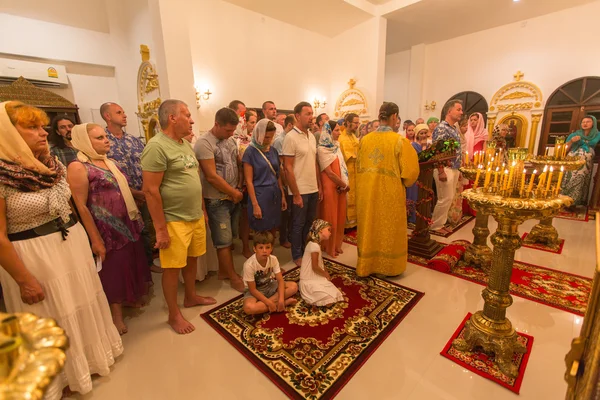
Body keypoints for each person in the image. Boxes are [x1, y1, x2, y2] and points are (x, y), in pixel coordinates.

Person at [0, 101, 122, 398]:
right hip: (34, 254)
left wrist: (93, 238)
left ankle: (88, 363)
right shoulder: (2, 175)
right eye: (31, 127)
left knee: (79, 304)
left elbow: (73, 207)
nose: (43, 133)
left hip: (71, 244)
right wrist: (24, 281)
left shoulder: (49, 164)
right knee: (51, 315)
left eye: (42, 126)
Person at [142, 99, 216, 335]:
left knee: (193, 258)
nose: (192, 119)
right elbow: (150, 190)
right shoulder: (156, 146)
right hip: (173, 219)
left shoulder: (184, 144)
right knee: (172, 267)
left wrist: (202, 209)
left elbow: (194, 181)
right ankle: (173, 313)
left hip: (194, 215)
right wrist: (161, 229)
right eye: (186, 114)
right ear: (172, 118)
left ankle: (191, 296)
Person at [68, 123, 151, 335]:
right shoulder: (79, 167)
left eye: (105, 136)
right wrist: (95, 239)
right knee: (113, 270)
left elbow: (120, 188)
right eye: (99, 138)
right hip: (105, 227)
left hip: (126, 223)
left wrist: (140, 194)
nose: (106, 140)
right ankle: (115, 316)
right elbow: (80, 206)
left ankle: (128, 299)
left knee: (129, 263)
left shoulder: (109, 162)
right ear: (85, 142)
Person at [356, 102, 419, 277]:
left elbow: (358, 167)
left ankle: (367, 265)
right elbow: (410, 173)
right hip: (390, 194)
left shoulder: (365, 140)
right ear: (394, 117)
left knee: (370, 226)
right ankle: (388, 267)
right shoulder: (399, 141)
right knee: (387, 228)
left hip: (367, 193)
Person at [101, 102, 159, 273]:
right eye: (119, 112)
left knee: (146, 228)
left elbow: (146, 166)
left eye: (124, 111)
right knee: (127, 231)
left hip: (143, 192)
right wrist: (133, 193)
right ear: (108, 116)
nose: (125, 115)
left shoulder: (133, 140)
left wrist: (143, 191)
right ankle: (133, 268)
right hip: (120, 196)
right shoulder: (102, 141)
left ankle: (148, 263)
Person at [196, 107, 245, 291]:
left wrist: (239, 187)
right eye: (228, 130)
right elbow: (211, 176)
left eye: (233, 130)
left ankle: (224, 271)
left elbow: (238, 164)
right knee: (223, 240)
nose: (231, 133)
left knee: (230, 238)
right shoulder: (204, 143)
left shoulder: (230, 139)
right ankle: (232, 276)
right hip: (217, 199)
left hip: (233, 195)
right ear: (216, 124)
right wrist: (233, 193)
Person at [282, 102, 322, 266]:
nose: (311, 116)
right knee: (298, 224)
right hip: (299, 189)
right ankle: (296, 254)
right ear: (297, 116)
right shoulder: (290, 137)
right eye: (307, 114)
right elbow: (288, 168)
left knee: (309, 222)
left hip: (312, 187)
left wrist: (318, 185)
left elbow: (314, 163)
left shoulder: (311, 136)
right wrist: (296, 193)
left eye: (312, 113)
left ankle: (305, 250)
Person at [243, 119, 287, 233]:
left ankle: (270, 251)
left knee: (273, 228)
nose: (268, 140)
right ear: (259, 134)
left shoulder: (273, 151)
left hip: (274, 194)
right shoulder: (250, 152)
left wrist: (282, 195)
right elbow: (248, 181)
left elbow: (277, 175)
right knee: (261, 232)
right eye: (266, 137)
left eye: (271, 137)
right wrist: (255, 204)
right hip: (260, 195)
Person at [241, 231, 298, 314]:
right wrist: (269, 303)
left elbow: (280, 280)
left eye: (267, 247)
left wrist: (281, 299)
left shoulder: (273, 259)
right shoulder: (249, 265)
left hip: (269, 284)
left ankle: (278, 304)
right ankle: (281, 304)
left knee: (294, 286)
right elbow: (252, 290)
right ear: (254, 249)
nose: (264, 251)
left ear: (271, 248)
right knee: (249, 308)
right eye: (261, 248)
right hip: (256, 290)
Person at [430, 100, 463, 233]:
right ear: (449, 111)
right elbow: (437, 151)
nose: (461, 112)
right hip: (444, 168)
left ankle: (440, 224)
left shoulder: (452, 128)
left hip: (453, 168)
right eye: (459, 109)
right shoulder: (442, 128)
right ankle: (435, 226)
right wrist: (441, 171)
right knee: (445, 198)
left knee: (449, 198)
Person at [317, 121, 348, 257]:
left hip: (340, 186)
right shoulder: (322, 149)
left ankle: (336, 244)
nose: (339, 133)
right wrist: (344, 184)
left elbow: (342, 166)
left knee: (340, 215)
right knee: (330, 216)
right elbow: (329, 172)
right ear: (328, 132)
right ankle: (328, 246)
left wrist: (343, 184)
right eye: (336, 130)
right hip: (330, 186)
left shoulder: (336, 146)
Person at [299, 219, 344, 306]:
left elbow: (320, 262)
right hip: (308, 280)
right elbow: (315, 267)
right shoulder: (314, 246)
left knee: (335, 294)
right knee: (329, 300)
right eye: (328, 230)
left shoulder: (315, 244)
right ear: (320, 230)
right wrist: (325, 274)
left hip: (315, 277)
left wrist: (325, 271)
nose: (330, 233)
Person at [562, 115, 600, 206]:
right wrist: (571, 141)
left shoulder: (597, 134)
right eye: (583, 122)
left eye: (588, 122)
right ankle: (565, 201)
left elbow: (591, 144)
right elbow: (565, 149)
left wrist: (581, 142)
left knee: (581, 179)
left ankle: (576, 203)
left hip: (585, 161)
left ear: (593, 123)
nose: (585, 124)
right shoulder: (574, 134)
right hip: (571, 160)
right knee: (568, 178)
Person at [235, 109, 257, 258]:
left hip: (258, 182)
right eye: (251, 122)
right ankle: (245, 247)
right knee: (245, 217)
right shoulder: (238, 141)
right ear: (244, 123)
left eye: (255, 122)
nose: (254, 125)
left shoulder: (255, 140)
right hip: (244, 183)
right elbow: (240, 163)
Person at [273, 115, 295, 249]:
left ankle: (289, 235)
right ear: (290, 125)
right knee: (285, 213)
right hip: (285, 181)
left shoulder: (290, 138)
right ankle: (283, 238)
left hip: (291, 179)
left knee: (291, 212)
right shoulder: (280, 140)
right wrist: (286, 183)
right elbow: (282, 165)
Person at [339, 113, 360, 229]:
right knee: (348, 196)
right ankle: (347, 224)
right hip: (348, 171)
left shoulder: (353, 136)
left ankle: (354, 222)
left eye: (358, 123)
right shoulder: (342, 138)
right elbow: (348, 155)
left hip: (356, 171)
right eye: (355, 123)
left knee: (355, 196)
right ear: (348, 123)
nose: (357, 125)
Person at [407, 125, 429, 224]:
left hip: (426, 174)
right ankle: (413, 216)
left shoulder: (429, 145)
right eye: (421, 133)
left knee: (424, 194)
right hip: (416, 173)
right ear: (417, 134)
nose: (424, 135)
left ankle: (424, 214)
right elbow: (421, 159)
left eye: (425, 133)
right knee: (415, 194)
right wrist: (423, 147)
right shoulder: (413, 145)